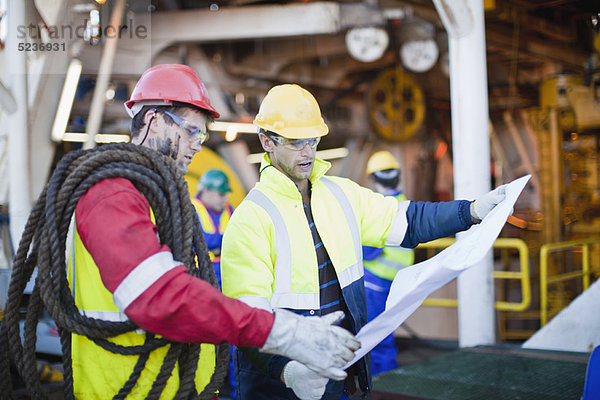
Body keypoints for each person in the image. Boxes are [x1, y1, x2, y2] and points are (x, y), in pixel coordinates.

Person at [67, 65, 360, 398]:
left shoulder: (163, 199)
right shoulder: (111, 195)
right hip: (125, 389)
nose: (197, 146)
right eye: (191, 132)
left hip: (176, 387)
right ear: (152, 121)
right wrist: (283, 331)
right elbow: (160, 298)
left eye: (202, 136)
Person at [221, 84, 508, 400]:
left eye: (313, 140)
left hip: (340, 377)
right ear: (266, 142)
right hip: (282, 387)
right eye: (295, 142)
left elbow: (408, 220)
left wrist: (470, 210)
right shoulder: (251, 219)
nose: (307, 151)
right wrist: (286, 372)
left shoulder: (341, 195)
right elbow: (245, 320)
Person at [362, 150, 415, 375]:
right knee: (384, 334)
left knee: (376, 337)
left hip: (375, 283)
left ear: (373, 178)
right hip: (397, 282)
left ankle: (383, 384)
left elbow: (368, 251)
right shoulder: (405, 205)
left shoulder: (381, 208)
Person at [193, 169, 234, 288]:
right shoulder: (191, 208)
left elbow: (239, 239)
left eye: (226, 194)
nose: (225, 199)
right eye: (221, 194)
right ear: (206, 190)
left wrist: (212, 244)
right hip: (201, 275)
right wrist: (223, 242)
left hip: (228, 273)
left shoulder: (229, 209)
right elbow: (197, 242)